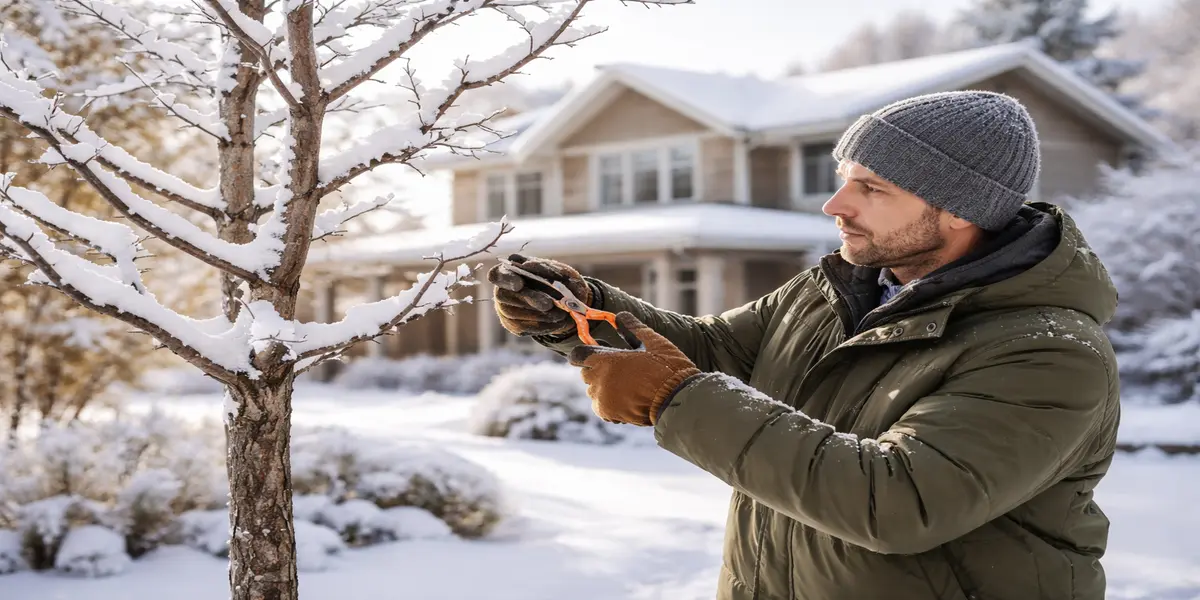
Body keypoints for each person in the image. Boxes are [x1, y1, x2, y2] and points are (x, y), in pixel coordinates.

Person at [487, 90, 1121, 600]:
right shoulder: (835, 290)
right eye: (844, 178)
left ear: (961, 210)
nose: (834, 204)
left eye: (872, 188)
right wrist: (578, 314)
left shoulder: (1047, 351)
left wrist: (677, 397)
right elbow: (715, 352)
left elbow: (898, 501)